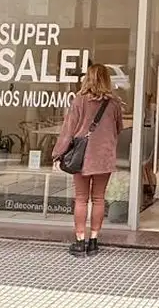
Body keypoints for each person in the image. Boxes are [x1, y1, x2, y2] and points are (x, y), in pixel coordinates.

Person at [52, 63, 124, 257]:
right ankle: (93, 241)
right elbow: (119, 128)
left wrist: (58, 154)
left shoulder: (79, 100)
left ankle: (79, 241)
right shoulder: (114, 103)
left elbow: (68, 130)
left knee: (81, 199)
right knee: (99, 199)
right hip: (104, 156)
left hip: (81, 156)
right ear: (106, 80)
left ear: (87, 79)